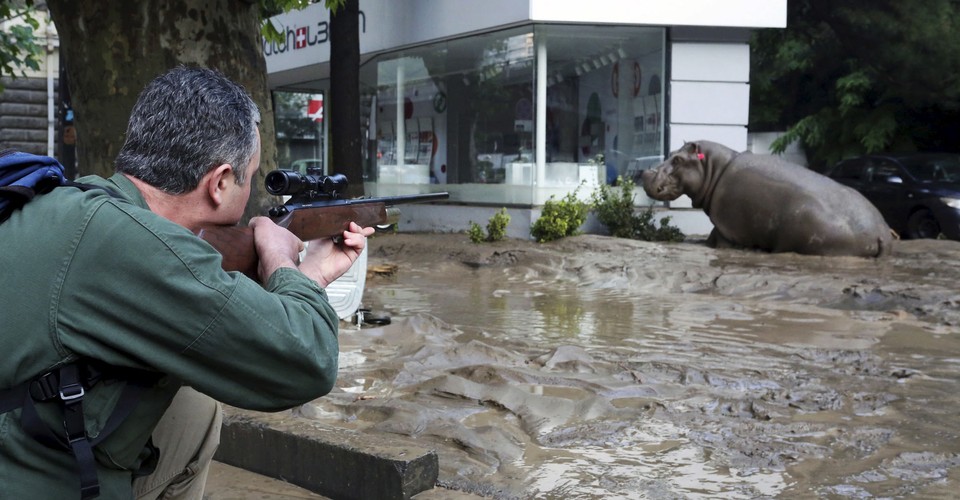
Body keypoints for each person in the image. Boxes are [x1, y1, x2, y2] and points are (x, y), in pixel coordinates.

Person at [0, 66, 375, 499]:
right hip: (27, 473)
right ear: (219, 182)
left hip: (25, 429)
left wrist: (311, 273)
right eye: (251, 176)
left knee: (191, 411)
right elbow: (307, 361)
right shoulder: (137, 249)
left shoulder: (79, 201)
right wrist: (282, 260)